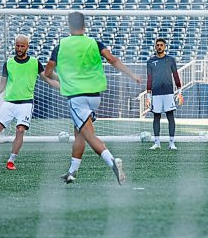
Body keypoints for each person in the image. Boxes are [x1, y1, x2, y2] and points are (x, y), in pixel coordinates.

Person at [44, 11, 142, 185]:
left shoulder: (62, 45)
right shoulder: (94, 43)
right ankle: (72, 172)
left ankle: (112, 161)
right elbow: (112, 59)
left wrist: (61, 79)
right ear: (84, 25)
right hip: (95, 97)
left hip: (76, 97)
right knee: (79, 134)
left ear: (68, 25)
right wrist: (132, 74)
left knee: (88, 135)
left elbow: (49, 71)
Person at [0, 34, 59, 170]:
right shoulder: (9, 63)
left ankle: (11, 160)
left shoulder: (35, 62)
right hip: (9, 103)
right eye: (17, 45)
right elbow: (2, 84)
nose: (19, 48)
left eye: (22, 46)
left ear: (27, 47)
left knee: (20, 130)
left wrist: (63, 87)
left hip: (26, 104)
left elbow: (47, 79)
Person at [146, 38, 184, 150]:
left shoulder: (171, 60)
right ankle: (157, 143)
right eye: (157, 45)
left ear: (165, 46)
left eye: (161, 45)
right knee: (156, 117)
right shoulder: (150, 62)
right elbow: (149, 79)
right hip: (156, 94)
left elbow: (176, 76)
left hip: (168, 93)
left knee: (170, 117)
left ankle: (171, 143)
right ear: (155, 47)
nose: (159, 47)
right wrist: (148, 96)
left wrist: (179, 92)